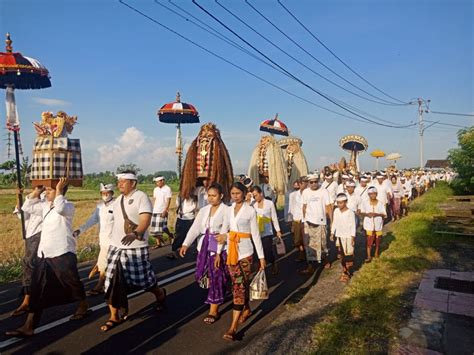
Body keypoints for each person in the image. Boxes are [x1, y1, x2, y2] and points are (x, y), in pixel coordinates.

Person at [6, 178, 89, 337]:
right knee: (37, 289)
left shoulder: (68, 206)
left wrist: (58, 189)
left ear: (60, 191)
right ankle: (28, 326)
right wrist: (37, 190)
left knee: (72, 282)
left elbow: (59, 208)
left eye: (49, 191)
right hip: (44, 254)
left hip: (62, 252)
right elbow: (26, 206)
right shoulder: (45, 207)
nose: (46, 193)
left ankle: (83, 305)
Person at [102, 171, 166, 332]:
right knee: (111, 282)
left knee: (144, 281)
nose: (120, 184)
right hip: (116, 248)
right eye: (119, 182)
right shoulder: (118, 200)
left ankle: (160, 294)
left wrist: (136, 233)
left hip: (135, 248)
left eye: (124, 181)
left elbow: (145, 219)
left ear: (133, 183)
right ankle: (114, 316)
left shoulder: (141, 197)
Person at [217, 182, 266, 341]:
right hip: (231, 253)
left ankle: (233, 327)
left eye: (238, 193)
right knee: (238, 285)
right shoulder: (229, 210)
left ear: (245, 194)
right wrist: (218, 252)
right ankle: (246, 309)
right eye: (233, 193)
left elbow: (255, 235)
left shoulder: (250, 211)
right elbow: (223, 231)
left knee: (238, 287)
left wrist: (261, 257)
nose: (235, 196)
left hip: (245, 253)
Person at [180, 183, 229, 325]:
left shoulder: (227, 210)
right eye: (209, 195)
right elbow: (195, 228)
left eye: (214, 196)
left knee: (217, 276)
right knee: (203, 275)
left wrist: (225, 236)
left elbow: (231, 229)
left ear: (221, 196)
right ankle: (221, 291)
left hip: (220, 249)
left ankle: (213, 309)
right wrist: (185, 244)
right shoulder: (203, 210)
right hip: (204, 247)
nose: (211, 198)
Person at [74, 183, 115, 296]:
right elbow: (92, 220)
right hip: (103, 240)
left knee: (103, 263)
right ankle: (107, 284)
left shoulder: (117, 205)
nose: (105, 195)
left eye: (107, 193)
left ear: (112, 193)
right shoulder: (100, 206)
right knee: (106, 263)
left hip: (114, 241)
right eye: (103, 193)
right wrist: (80, 230)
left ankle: (100, 286)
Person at [10, 186, 44, 317]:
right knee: (31, 266)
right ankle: (29, 295)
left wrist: (35, 193)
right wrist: (18, 196)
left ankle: (27, 299)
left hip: (38, 235)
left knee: (29, 264)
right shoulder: (30, 200)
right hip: (30, 236)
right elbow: (22, 214)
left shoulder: (44, 203)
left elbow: (26, 207)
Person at [301, 174, 333, 274]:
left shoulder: (324, 191)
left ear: (318, 181)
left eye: (316, 181)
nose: (314, 184)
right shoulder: (305, 192)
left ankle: (325, 260)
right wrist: (304, 220)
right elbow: (304, 207)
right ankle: (310, 265)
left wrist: (332, 221)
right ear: (308, 183)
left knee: (323, 243)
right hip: (309, 222)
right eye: (311, 182)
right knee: (309, 245)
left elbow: (328, 207)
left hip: (321, 222)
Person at [251, 186, 282, 274]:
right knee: (257, 251)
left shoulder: (269, 203)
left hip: (267, 231)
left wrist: (278, 230)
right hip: (257, 231)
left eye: (256, 195)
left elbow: (274, 217)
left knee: (268, 250)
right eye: (253, 196)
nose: (255, 198)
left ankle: (273, 263)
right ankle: (260, 270)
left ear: (261, 193)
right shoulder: (253, 205)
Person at [330, 193, 356, 282]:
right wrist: (332, 233)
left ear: (345, 202)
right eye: (338, 203)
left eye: (341, 203)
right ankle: (344, 271)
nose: (339, 205)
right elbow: (335, 223)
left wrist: (353, 237)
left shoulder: (350, 212)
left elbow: (353, 225)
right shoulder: (336, 211)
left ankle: (347, 272)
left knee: (348, 255)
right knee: (341, 255)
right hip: (339, 236)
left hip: (348, 236)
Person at [360, 187, 386, 262]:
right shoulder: (365, 203)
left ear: (376, 194)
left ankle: (376, 252)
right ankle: (368, 256)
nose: (373, 196)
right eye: (371, 194)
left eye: (374, 194)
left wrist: (377, 214)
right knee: (369, 240)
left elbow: (384, 214)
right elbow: (362, 212)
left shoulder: (380, 203)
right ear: (369, 195)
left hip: (378, 225)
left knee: (378, 239)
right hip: (369, 225)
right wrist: (367, 214)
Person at [168, 192, 197, 260]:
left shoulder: (193, 195)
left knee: (192, 234)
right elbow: (177, 203)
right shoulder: (180, 195)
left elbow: (194, 206)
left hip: (189, 217)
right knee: (178, 235)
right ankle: (174, 251)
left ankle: (196, 249)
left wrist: (185, 211)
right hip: (180, 217)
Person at [150, 176, 173, 247]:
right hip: (155, 210)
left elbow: (168, 200)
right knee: (154, 230)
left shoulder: (167, 189)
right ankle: (158, 243)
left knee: (162, 228)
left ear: (162, 181)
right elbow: (155, 200)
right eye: (156, 182)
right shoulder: (155, 189)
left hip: (162, 210)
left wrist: (165, 210)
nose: (157, 183)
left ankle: (170, 235)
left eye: (158, 182)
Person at [287, 179, 305, 262]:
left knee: (305, 238)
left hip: (305, 219)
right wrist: (290, 220)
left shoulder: (306, 193)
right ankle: (301, 252)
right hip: (296, 218)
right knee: (297, 239)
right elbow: (290, 207)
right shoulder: (292, 195)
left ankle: (305, 255)